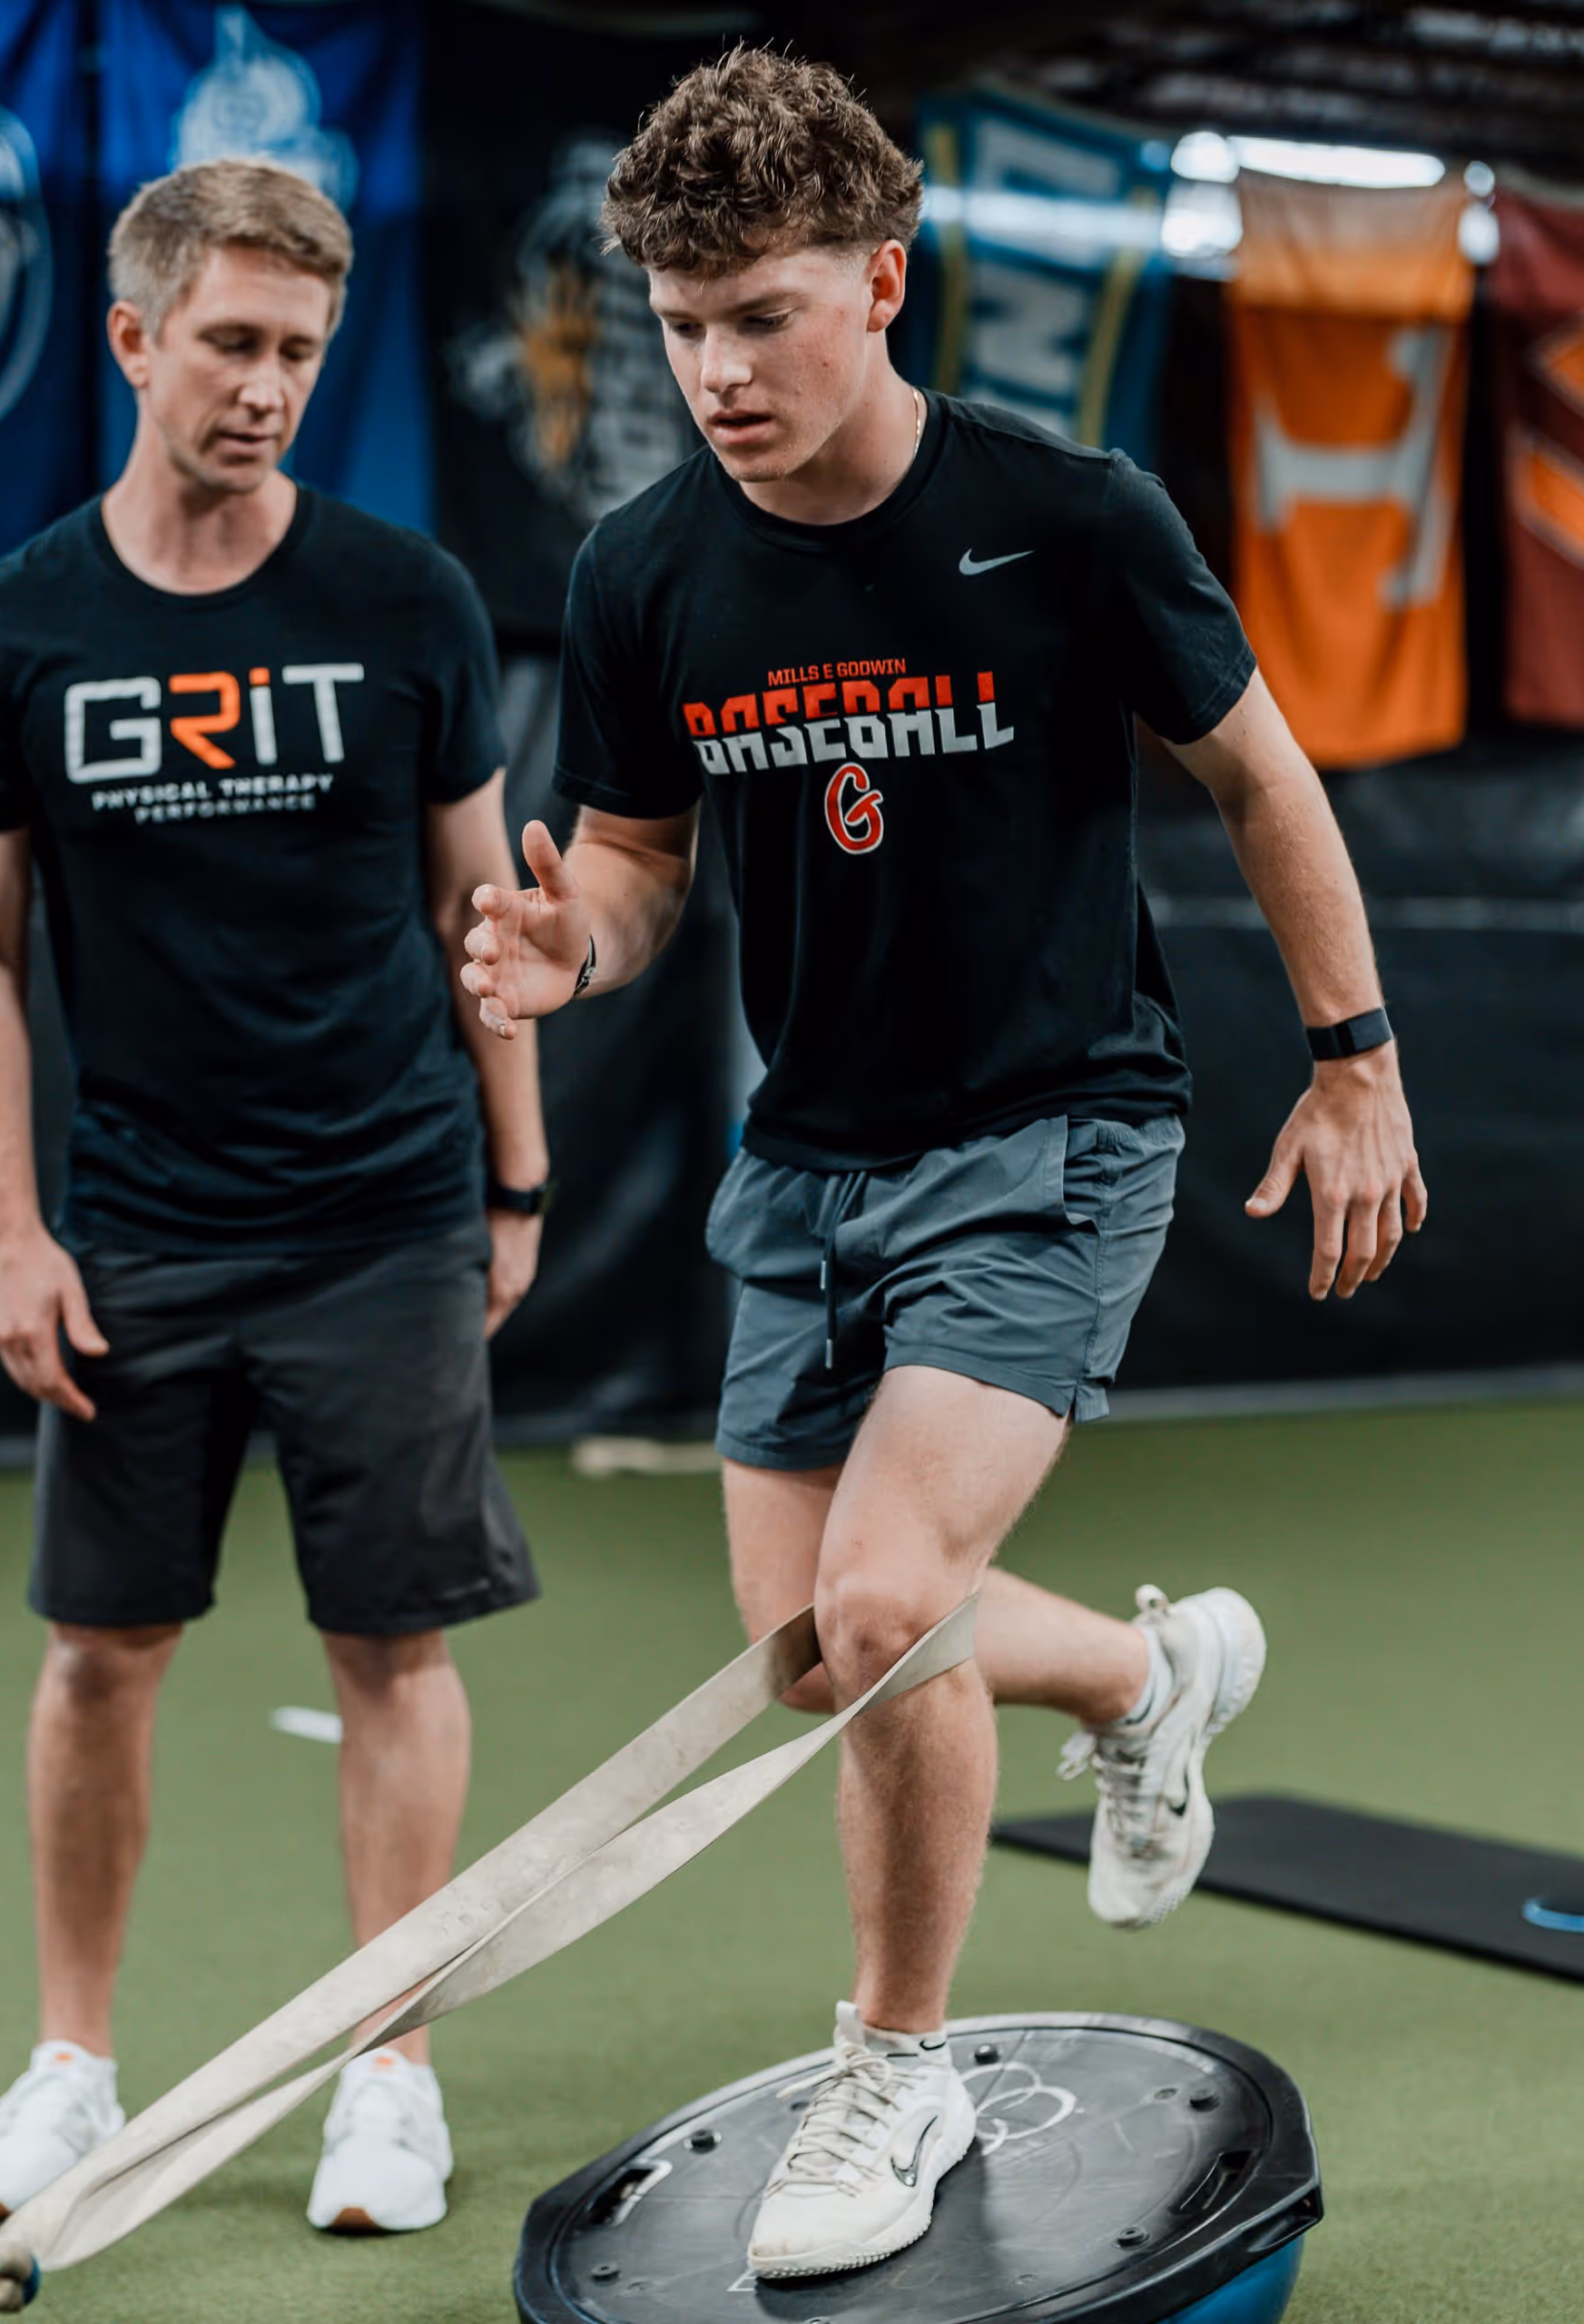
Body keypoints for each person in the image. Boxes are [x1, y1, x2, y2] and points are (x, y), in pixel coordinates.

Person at [460, 48, 1425, 2286]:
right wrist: (561, 945)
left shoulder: (1066, 516)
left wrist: (1354, 1060)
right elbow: (630, 860)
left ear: (881, 283)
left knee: (886, 1610)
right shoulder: (639, 573)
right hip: (807, 1161)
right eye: (679, 323)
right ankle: (1139, 1675)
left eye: (764, 312)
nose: (713, 369)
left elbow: (1263, 781)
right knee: (816, 1646)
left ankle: (895, 2065)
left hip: (1052, 1128)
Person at [0, 159, 548, 2240]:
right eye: (229, 344)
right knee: (101, 1654)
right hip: (136, 1232)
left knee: (392, 1646)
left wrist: (516, 1171)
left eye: (298, 349)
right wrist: (14, 1228)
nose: (267, 384)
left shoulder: (402, 601)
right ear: (131, 339)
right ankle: (68, 2064)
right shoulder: (23, 624)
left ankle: (388, 2070)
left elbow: (484, 910)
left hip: (382, 1212)